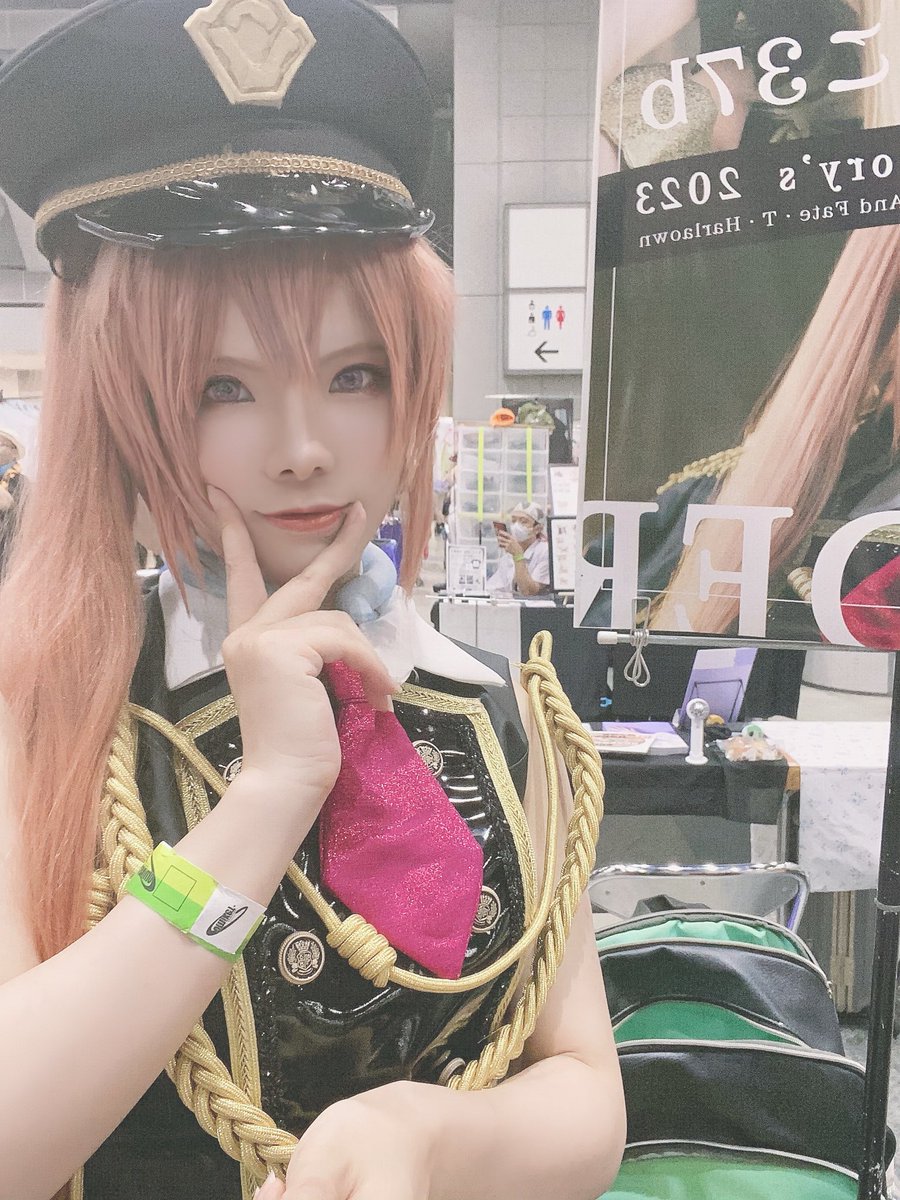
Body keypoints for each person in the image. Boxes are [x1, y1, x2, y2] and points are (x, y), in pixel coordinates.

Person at [0, 4, 625, 1200]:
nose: (302, 446)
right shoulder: (40, 706)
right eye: (221, 387)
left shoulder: (501, 710)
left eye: (356, 374)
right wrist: (267, 799)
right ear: (119, 401)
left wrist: (424, 1136)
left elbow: (587, 1090)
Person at [487, 504, 552, 598]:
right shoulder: (509, 554)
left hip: (537, 606)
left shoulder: (546, 552)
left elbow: (528, 591)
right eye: (513, 521)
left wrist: (518, 555)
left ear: (538, 528)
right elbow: (493, 588)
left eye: (524, 522)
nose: (516, 526)